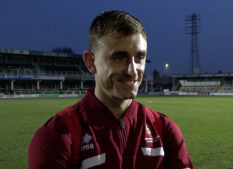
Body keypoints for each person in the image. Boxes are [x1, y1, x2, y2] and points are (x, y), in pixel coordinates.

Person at [28, 10, 194, 169]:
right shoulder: (57, 136)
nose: (132, 71)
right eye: (119, 57)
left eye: (139, 58)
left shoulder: (165, 130)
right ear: (90, 62)